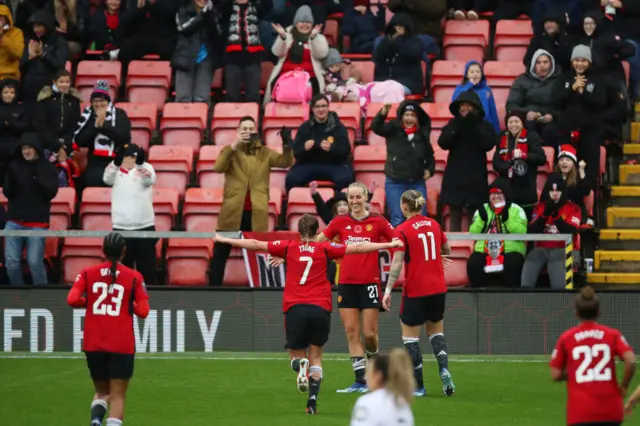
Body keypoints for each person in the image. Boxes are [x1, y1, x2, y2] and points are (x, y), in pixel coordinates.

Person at [214, 214, 402, 415]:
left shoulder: (288, 247)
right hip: (320, 308)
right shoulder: (326, 248)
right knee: (317, 357)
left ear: (298, 231)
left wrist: (225, 239)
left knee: (296, 356)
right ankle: (312, 401)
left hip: (295, 307)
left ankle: (298, 365)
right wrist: (387, 244)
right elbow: (358, 248)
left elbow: (254, 243)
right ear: (317, 232)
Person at [318, 182, 396, 393]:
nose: (353, 202)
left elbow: (397, 240)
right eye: (350, 198)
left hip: (370, 283)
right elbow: (319, 242)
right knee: (352, 332)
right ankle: (360, 381)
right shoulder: (339, 222)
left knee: (369, 334)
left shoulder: (378, 222)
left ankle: (374, 363)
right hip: (346, 283)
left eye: (358, 197)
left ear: (366, 198)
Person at [67, 232, 150, 426]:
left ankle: (96, 419)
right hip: (121, 343)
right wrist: (129, 305)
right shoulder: (135, 277)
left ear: (103, 251)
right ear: (124, 251)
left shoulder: (87, 273)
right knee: (118, 395)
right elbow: (144, 311)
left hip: (94, 342)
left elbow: (71, 299)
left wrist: (88, 301)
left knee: (102, 391)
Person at [382, 189, 455, 397]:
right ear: (421, 205)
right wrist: (434, 257)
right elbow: (446, 249)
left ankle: (419, 386)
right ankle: (443, 368)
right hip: (438, 288)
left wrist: (387, 290)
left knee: (411, 339)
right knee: (436, 332)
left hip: (416, 289)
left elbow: (397, 263)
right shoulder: (434, 224)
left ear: (404, 206)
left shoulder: (402, 230)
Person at [211, 116, 293, 286]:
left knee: (259, 255)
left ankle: (261, 289)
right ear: (238, 132)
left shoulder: (265, 152)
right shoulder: (229, 150)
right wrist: (233, 146)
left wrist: (287, 144)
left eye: (251, 129)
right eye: (244, 129)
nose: (248, 132)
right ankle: (214, 290)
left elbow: (286, 162)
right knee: (220, 253)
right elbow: (218, 167)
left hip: (257, 212)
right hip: (232, 212)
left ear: (256, 131)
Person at [550, 286, 636, 426]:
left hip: (580, 413)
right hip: (611, 411)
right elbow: (631, 360)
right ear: (598, 312)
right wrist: (624, 386)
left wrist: (575, 369)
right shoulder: (612, 335)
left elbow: (555, 374)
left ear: (576, 313)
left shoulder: (567, 337)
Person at [3, 132, 58, 285]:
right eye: (24, 148)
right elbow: (8, 193)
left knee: (34, 262)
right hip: (14, 221)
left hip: (37, 223)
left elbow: (51, 192)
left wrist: (36, 177)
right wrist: (11, 182)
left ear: (37, 149)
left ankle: (41, 296)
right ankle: (19, 296)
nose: (26, 151)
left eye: (30, 148)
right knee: (11, 263)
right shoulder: (14, 167)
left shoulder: (47, 168)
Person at [438, 90, 497, 232]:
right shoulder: (453, 124)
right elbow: (443, 142)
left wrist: (473, 124)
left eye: (469, 106)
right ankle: (453, 250)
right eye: (462, 106)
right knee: (454, 215)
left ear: (475, 108)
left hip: (475, 177)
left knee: (475, 216)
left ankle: (474, 249)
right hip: (455, 177)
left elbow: (489, 143)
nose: (465, 109)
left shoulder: (483, 125)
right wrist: (458, 126)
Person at [370, 101, 434, 227]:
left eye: (413, 115)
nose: (409, 118)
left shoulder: (422, 134)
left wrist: (430, 169)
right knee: (397, 219)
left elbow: (429, 154)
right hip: (395, 181)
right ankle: (398, 247)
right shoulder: (393, 128)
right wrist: (383, 113)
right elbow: (376, 127)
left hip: (417, 182)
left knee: (420, 219)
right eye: (407, 115)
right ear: (401, 116)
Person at [103, 143, 157, 286]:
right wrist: (115, 163)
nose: (130, 160)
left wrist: (140, 165)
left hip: (144, 227)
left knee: (148, 271)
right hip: (121, 228)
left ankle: (150, 303)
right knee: (122, 274)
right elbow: (106, 179)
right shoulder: (114, 169)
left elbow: (149, 180)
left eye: (134, 157)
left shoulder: (146, 167)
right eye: (127, 156)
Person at [521, 173, 581, 289]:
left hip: (563, 248)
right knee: (532, 257)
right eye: (552, 191)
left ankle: (559, 297)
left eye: (558, 190)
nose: (554, 194)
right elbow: (532, 231)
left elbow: (571, 231)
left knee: (556, 260)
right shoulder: (540, 208)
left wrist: (556, 216)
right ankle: (525, 294)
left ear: (563, 192)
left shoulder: (573, 208)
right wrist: (544, 215)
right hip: (541, 248)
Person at [466, 178, 527, 288]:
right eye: (493, 193)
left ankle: (512, 295)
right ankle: (479, 294)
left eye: (499, 193)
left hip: (510, 249)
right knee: (474, 263)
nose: (496, 196)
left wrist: (507, 220)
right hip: (485, 249)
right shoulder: (483, 209)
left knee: (513, 263)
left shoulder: (516, 209)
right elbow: (473, 232)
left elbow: (522, 232)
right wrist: (482, 221)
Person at [285, 95, 353, 193]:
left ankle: (337, 205)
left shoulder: (338, 127)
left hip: (334, 164)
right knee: (291, 179)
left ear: (328, 107)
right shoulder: (305, 127)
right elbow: (296, 152)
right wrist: (304, 148)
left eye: (324, 106)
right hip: (308, 164)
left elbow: (346, 150)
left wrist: (332, 148)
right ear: (312, 109)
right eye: (317, 106)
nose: (321, 109)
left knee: (346, 178)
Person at [264, 6, 328, 105]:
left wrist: (314, 38)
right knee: (275, 85)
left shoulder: (318, 37)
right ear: (295, 23)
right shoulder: (287, 35)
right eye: (301, 22)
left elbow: (322, 54)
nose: (305, 25)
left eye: (308, 22)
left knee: (315, 89)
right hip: (285, 76)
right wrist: (282, 37)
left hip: (310, 76)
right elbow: (277, 52)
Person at [74, 80, 131, 188]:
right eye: (95, 101)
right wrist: (95, 127)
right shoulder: (88, 115)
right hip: (95, 162)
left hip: (117, 160)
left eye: (102, 100)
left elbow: (124, 137)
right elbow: (80, 140)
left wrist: (104, 126)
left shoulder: (119, 114)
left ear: (108, 101)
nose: (99, 104)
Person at [492, 110, 546, 219]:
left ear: (522, 123)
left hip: (525, 186)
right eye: (510, 122)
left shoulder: (531, 136)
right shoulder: (502, 137)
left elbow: (541, 158)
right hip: (507, 187)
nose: (513, 125)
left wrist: (525, 156)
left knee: (523, 223)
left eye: (516, 121)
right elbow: (496, 163)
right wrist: (508, 165)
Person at [506, 49, 561, 148]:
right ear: (533, 65)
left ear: (551, 64)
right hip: (527, 120)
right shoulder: (521, 80)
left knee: (553, 131)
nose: (542, 65)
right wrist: (527, 113)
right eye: (538, 62)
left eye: (545, 62)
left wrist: (553, 115)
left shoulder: (559, 80)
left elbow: (565, 105)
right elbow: (511, 105)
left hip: (551, 121)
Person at [219, 0, 271, 103]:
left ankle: (252, 118)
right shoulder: (227, 6)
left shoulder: (256, 5)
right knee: (231, 95)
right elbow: (220, 9)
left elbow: (268, 5)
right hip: (232, 57)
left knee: (253, 96)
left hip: (253, 57)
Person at [172, 0, 221, 103]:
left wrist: (210, 15)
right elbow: (183, 28)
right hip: (185, 57)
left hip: (206, 57)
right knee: (183, 99)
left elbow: (218, 33)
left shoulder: (212, 11)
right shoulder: (183, 8)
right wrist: (202, 14)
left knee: (202, 99)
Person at [349, 349, 415, 426]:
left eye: (368, 372)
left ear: (378, 375)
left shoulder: (367, 402)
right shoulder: (402, 402)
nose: (366, 377)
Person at [19, 10, 68, 104]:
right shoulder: (30, 42)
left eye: (39, 26)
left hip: (50, 84)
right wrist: (30, 57)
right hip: (30, 85)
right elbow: (21, 66)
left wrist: (43, 54)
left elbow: (59, 65)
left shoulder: (59, 42)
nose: (36, 29)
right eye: (34, 26)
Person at [373, 13, 424, 96]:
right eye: (395, 26)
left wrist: (397, 42)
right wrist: (388, 43)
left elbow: (414, 54)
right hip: (386, 82)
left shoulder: (415, 42)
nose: (398, 29)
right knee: (372, 90)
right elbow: (378, 58)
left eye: (401, 26)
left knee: (392, 90)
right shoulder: (385, 42)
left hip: (408, 83)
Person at [35, 69, 81, 157]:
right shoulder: (45, 99)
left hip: (67, 145)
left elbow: (75, 124)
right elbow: (41, 125)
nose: (64, 85)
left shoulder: (74, 100)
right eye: (61, 82)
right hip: (48, 144)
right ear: (54, 82)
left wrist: (66, 143)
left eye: (67, 82)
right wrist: (57, 145)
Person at [451, 60, 500, 133]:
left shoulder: (487, 89)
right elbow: (455, 100)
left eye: (478, 72)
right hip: (466, 127)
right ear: (467, 75)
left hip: (484, 127)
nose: (475, 74)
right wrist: (470, 85)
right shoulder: (461, 88)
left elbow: (492, 111)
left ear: (481, 74)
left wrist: (496, 132)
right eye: (472, 72)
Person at [0, 3, 24, 81]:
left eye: (1, 17)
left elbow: (18, 54)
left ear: (7, 18)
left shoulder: (16, 32)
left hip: (8, 77)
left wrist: (2, 38)